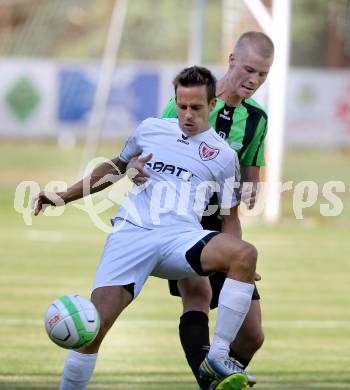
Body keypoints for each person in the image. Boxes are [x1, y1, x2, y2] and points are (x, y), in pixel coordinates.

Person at [34, 66, 258, 390]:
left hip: (181, 238)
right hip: (132, 233)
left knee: (245, 254)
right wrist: (63, 196)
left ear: (212, 105)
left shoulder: (223, 156)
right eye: (182, 105)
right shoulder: (151, 129)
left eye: (196, 107)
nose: (187, 114)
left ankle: (217, 356)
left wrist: (236, 262)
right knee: (93, 330)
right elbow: (116, 166)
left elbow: (229, 216)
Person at [158, 31, 274, 390]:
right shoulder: (190, 102)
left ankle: (216, 378)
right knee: (199, 294)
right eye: (250, 69)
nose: (254, 80)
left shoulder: (256, 119)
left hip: (224, 220)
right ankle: (209, 384)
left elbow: (249, 174)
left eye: (263, 75)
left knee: (253, 335)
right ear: (232, 60)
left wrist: (252, 186)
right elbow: (153, 161)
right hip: (182, 219)